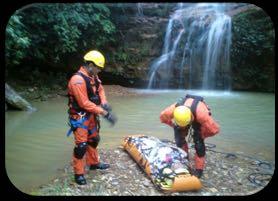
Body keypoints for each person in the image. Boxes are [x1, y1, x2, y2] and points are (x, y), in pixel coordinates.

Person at [67, 50, 117, 185]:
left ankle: (94, 163)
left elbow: (100, 89)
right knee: (81, 146)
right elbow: (84, 103)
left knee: (94, 139)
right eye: (98, 68)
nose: (99, 71)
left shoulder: (93, 76)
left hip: (91, 115)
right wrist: (104, 113)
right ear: (90, 64)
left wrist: (104, 102)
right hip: (80, 117)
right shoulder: (77, 80)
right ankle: (78, 174)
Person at [160, 94, 220, 178]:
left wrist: (202, 135)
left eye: (185, 125)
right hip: (183, 119)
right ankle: (184, 157)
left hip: (196, 116)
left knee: (199, 145)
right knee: (179, 139)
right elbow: (162, 117)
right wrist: (173, 125)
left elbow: (215, 130)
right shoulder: (172, 110)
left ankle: (199, 170)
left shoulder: (202, 115)